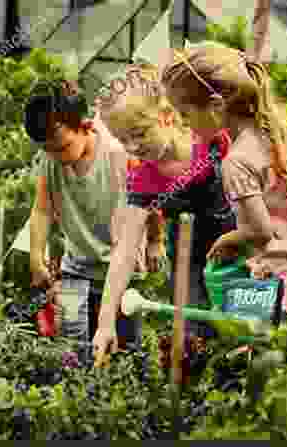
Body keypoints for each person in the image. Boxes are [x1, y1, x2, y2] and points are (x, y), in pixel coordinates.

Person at [161, 41, 287, 325]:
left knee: (276, 367)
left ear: (217, 106)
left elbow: (259, 231)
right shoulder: (279, 138)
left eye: (186, 114)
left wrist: (227, 240)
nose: (185, 124)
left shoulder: (237, 161)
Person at [92, 63, 238, 363]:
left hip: (245, 246)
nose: (133, 146)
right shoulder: (145, 178)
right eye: (123, 140)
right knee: (196, 339)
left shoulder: (210, 137)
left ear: (168, 116)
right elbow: (124, 252)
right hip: (194, 261)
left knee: (249, 331)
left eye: (139, 133)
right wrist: (105, 322)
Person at [25, 79, 161, 349]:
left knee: (123, 351)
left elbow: (152, 199)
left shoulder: (118, 154)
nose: (56, 157)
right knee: (70, 350)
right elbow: (41, 210)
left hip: (122, 271)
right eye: (47, 150)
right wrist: (36, 256)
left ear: (85, 126)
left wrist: (156, 240)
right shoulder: (51, 162)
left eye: (62, 147)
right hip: (75, 269)